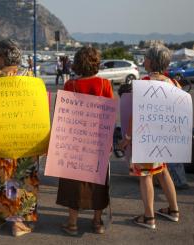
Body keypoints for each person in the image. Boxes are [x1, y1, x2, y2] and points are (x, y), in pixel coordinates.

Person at [119, 44, 180, 229]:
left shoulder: (145, 84)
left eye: (145, 57)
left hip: (146, 139)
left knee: (145, 176)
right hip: (164, 139)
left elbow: (136, 116)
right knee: (163, 172)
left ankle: (149, 217)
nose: (143, 60)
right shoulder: (173, 83)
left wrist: (127, 138)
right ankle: (173, 210)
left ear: (152, 61)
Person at [0, 39, 38, 237]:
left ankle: (0, 218)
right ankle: (18, 222)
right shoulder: (30, 76)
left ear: (4, 57)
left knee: (0, 178)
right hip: (24, 139)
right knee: (20, 178)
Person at [56, 47, 113, 236]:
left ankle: (72, 223)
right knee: (99, 182)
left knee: (74, 182)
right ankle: (97, 223)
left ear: (78, 63)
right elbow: (109, 117)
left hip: (75, 142)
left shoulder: (70, 86)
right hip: (98, 142)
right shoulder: (105, 85)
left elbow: (63, 117)